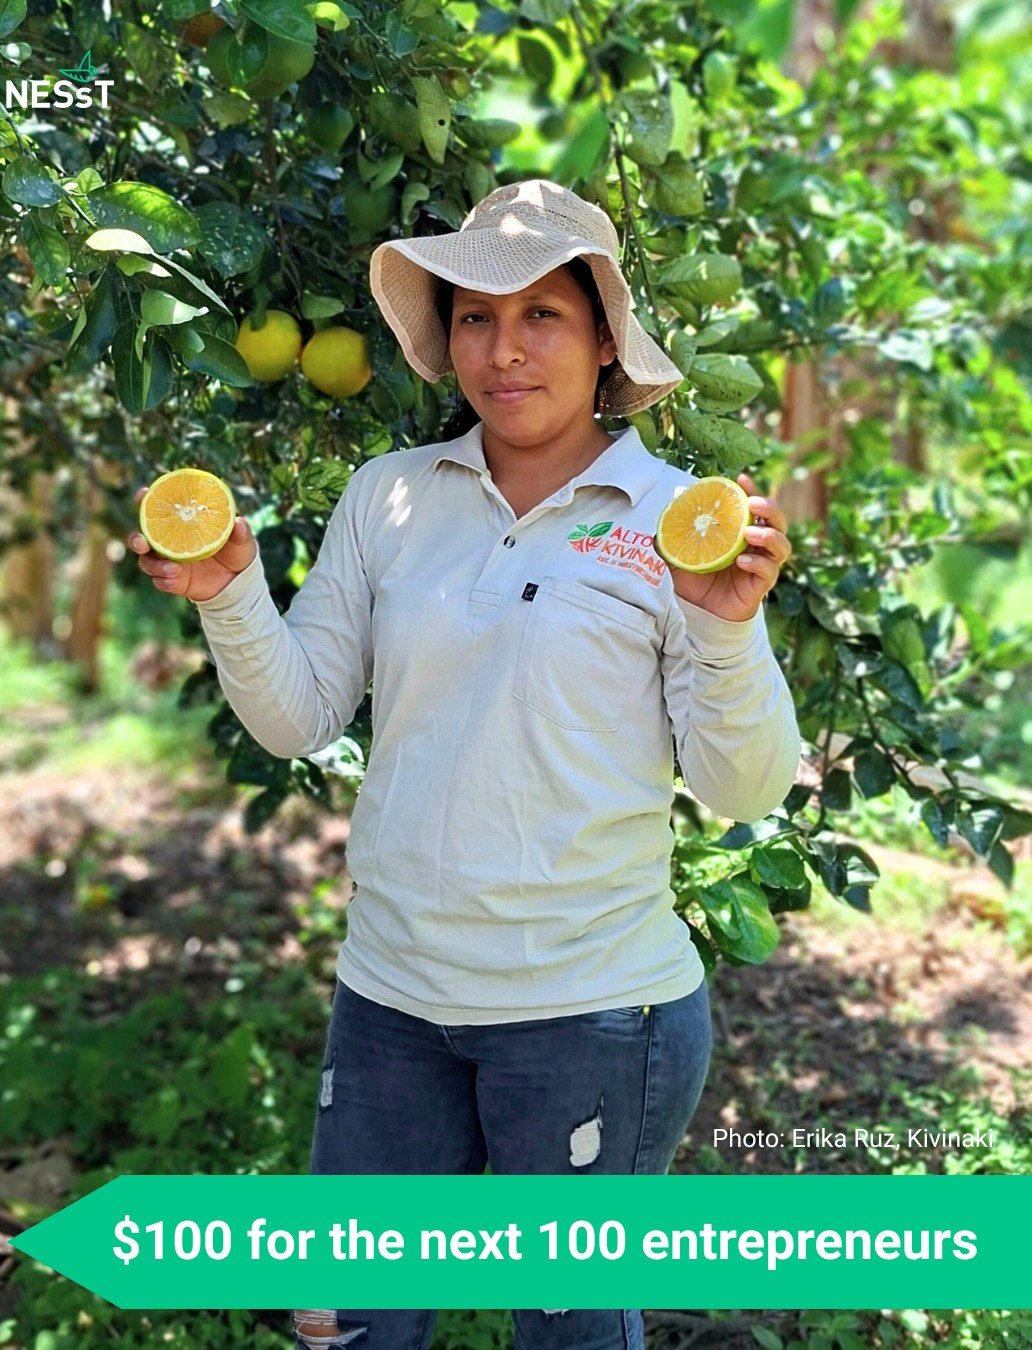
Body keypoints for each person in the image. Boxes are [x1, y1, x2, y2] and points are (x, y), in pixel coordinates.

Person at [129, 179, 800, 1350]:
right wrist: (231, 594)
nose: (504, 349)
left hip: (593, 1015)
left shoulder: (672, 520)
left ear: (605, 343)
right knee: (349, 1330)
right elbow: (298, 718)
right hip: (391, 999)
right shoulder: (389, 498)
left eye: (542, 313)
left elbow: (745, 791)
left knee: (572, 1335)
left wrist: (727, 629)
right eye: (476, 316)